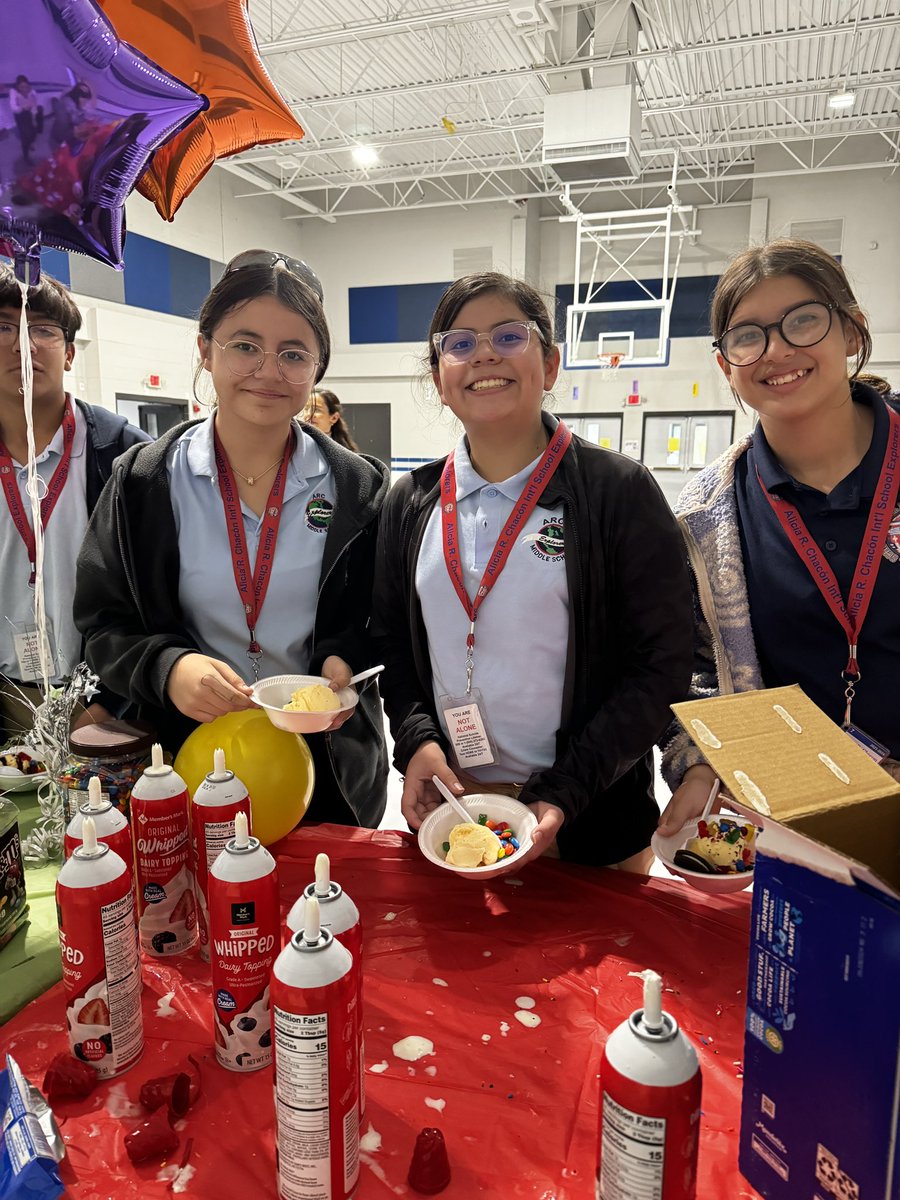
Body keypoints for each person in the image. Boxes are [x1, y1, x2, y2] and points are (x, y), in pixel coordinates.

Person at [373, 272, 693, 869]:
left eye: (508, 336)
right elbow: (393, 644)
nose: (485, 353)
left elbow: (663, 665)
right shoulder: (411, 501)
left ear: (549, 365)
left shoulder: (618, 492)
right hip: (459, 810)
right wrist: (417, 741)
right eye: (460, 343)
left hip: (591, 815)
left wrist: (565, 790)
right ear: (440, 379)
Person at [74, 251, 389, 827]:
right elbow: (102, 623)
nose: (268, 372)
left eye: (294, 354)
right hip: (188, 758)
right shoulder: (144, 482)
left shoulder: (358, 486)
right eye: (245, 345)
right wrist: (166, 668)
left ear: (316, 369)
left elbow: (379, 618)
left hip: (327, 770)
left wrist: (346, 661)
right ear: (205, 349)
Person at [659, 238, 900, 835]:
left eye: (803, 321)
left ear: (850, 331)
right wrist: (702, 767)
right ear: (725, 364)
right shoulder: (707, 514)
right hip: (795, 820)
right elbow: (700, 673)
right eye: (748, 335)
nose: (778, 350)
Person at [0, 266, 150, 738]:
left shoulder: (125, 453)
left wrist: (112, 700)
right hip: (5, 697)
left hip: (102, 703)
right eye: (4, 326)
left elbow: (154, 592)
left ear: (68, 353)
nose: (23, 344)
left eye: (43, 329)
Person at [302, 388, 360, 452]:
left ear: (334, 418)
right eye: (306, 409)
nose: (309, 414)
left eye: (317, 410)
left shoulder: (345, 454)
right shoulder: (295, 444)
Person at [9, 76, 43, 165]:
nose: (24, 89)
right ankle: (26, 156)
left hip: (30, 113)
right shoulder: (13, 92)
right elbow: (13, 108)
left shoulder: (32, 91)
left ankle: (31, 143)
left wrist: (34, 116)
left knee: (33, 133)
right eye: (21, 87)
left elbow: (35, 104)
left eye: (26, 86)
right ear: (17, 86)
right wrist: (23, 107)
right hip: (20, 115)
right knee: (25, 137)